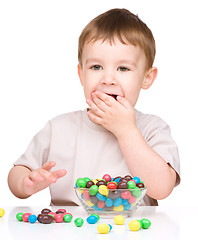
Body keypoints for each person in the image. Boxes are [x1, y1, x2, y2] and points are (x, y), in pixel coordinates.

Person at [8, 8, 180, 206]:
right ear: (82, 75)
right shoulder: (58, 128)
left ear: (146, 78)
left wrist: (126, 131)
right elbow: (18, 171)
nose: (108, 79)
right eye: (96, 67)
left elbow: (162, 188)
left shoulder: (153, 129)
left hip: (132, 231)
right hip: (69, 231)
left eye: (123, 68)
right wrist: (25, 183)